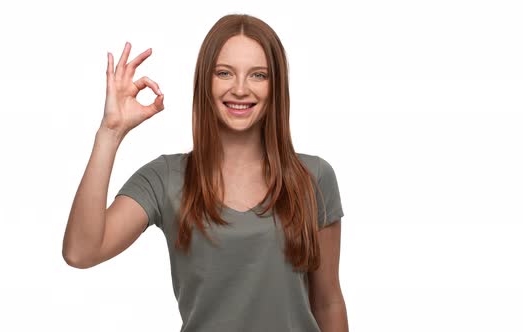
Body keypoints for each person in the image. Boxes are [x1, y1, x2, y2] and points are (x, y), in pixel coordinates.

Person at [62, 14, 348, 332]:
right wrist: (110, 133)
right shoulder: (165, 178)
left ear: (276, 85)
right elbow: (80, 252)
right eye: (224, 73)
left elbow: (328, 301)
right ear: (206, 81)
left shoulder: (314, 177)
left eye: (258, 75)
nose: (240, 89)